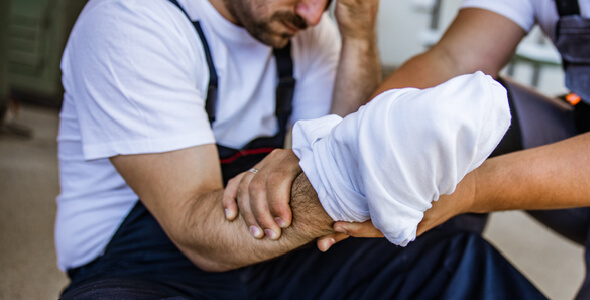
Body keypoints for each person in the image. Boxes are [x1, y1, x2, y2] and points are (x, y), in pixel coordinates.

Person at [231, 0, 590, 299]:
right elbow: (452, 58)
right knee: (460, 109)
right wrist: (328, 144)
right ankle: (411, 270)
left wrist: (468, 191)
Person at [55, 0, 545, 298]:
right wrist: (357, 186)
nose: (312, 14)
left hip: (270, 255)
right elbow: (196, 233)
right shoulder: (132, 22)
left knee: (448, 265)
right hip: (149, 270)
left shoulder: (306, 29)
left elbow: (336, 140)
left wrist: (357, 35)